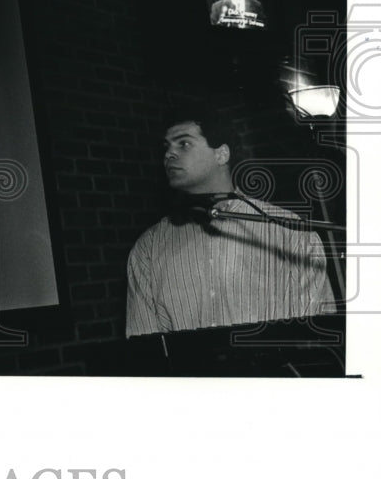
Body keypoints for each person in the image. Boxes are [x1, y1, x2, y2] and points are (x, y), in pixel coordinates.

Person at [125, 108, 336, 337]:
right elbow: (145, 347)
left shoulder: (289, 230)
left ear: (221, 154)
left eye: (183, 144)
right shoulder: (149, 248)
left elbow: (316, 335)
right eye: (166, 147)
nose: (169, 155)